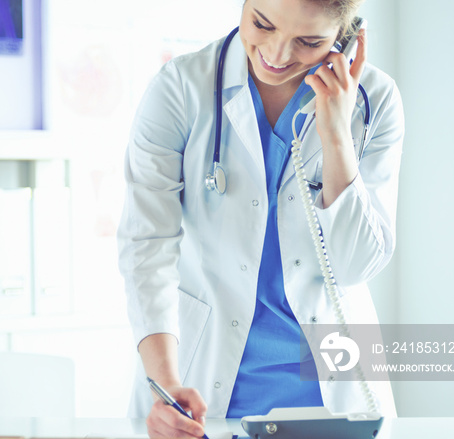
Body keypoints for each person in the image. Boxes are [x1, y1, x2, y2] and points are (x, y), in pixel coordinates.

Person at [117, 0, 404, 436]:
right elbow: (145, 247)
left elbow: (354, 266)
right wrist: (165, 385)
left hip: (330, 396)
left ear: (348, 39)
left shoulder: (374, 102)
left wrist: (337, 137)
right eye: (262, 24)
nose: (277, 54)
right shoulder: (181, 88)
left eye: (308, 42)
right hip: (203, 383)